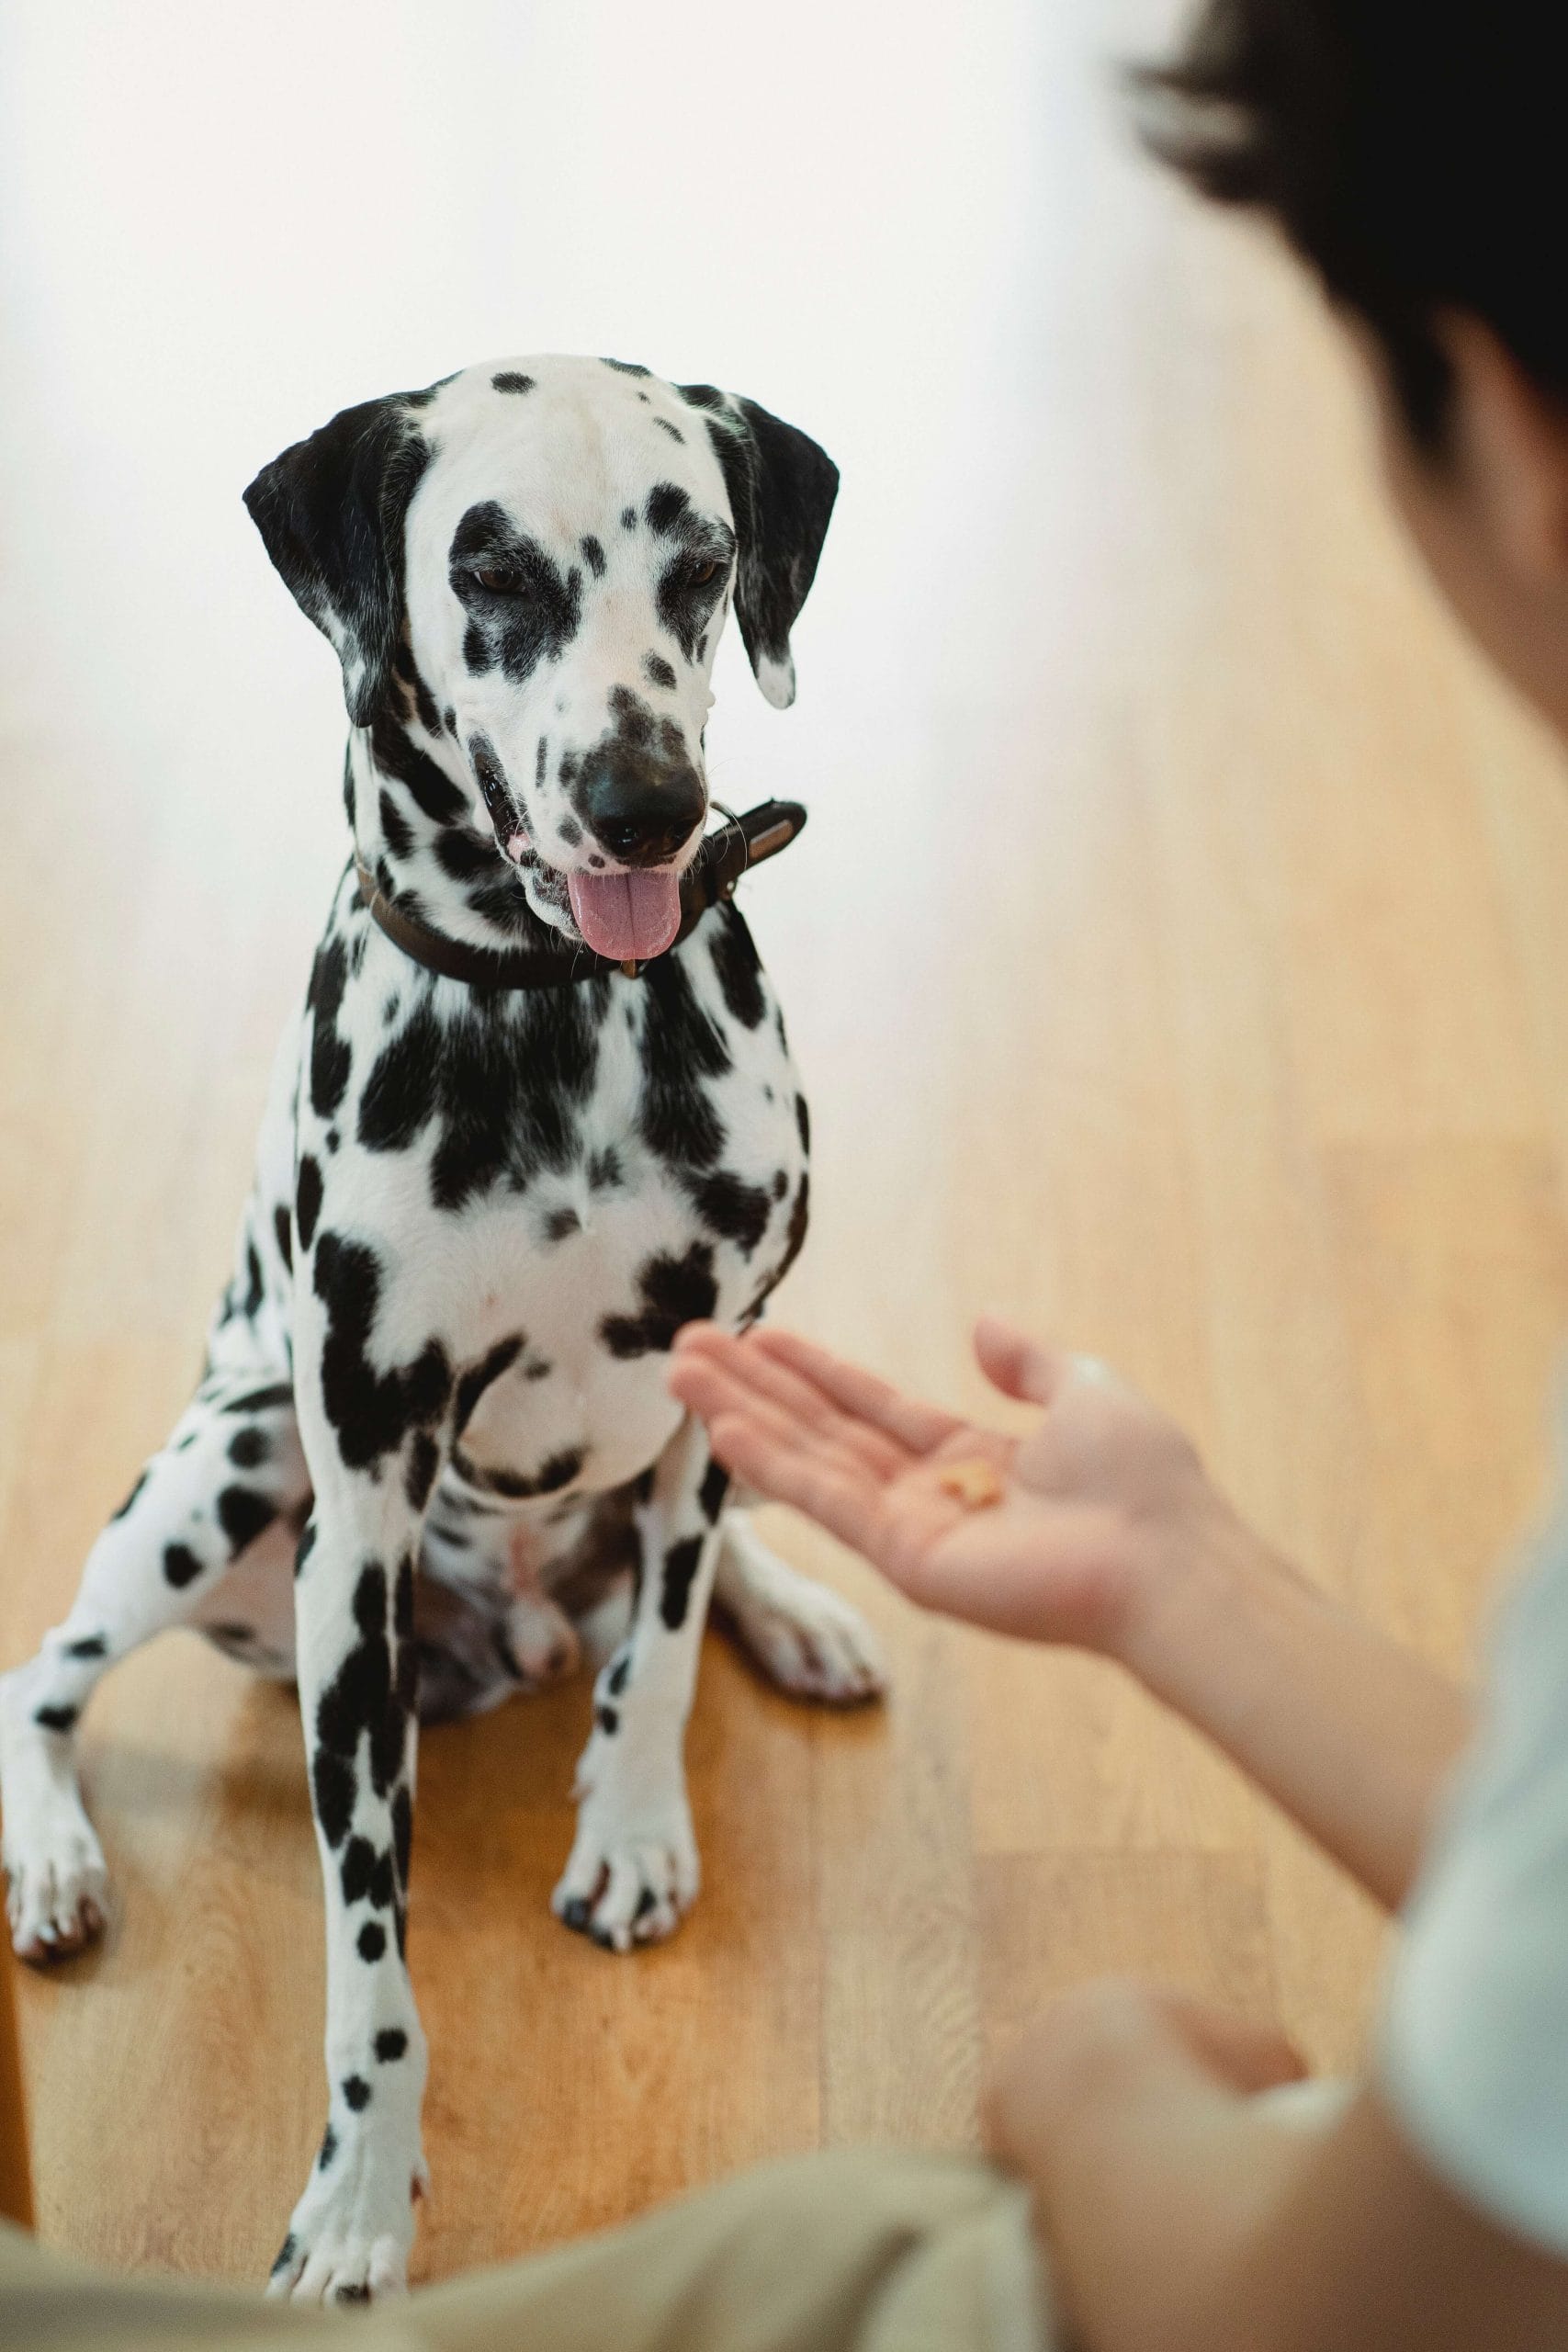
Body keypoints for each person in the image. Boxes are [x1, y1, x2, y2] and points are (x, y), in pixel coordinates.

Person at [6, 0, 1567, 2344]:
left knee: (700, 1383)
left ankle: (669, 1642)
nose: (634, 723)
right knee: (298, 1470)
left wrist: (1070, 2057)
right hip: (383, 1494)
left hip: (1118, 2151)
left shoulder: (708, 1044)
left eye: (689, 595)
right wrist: (1182, 1571)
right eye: (513, 602)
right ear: (383, 617)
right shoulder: (371, 1091)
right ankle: (54, 1733)